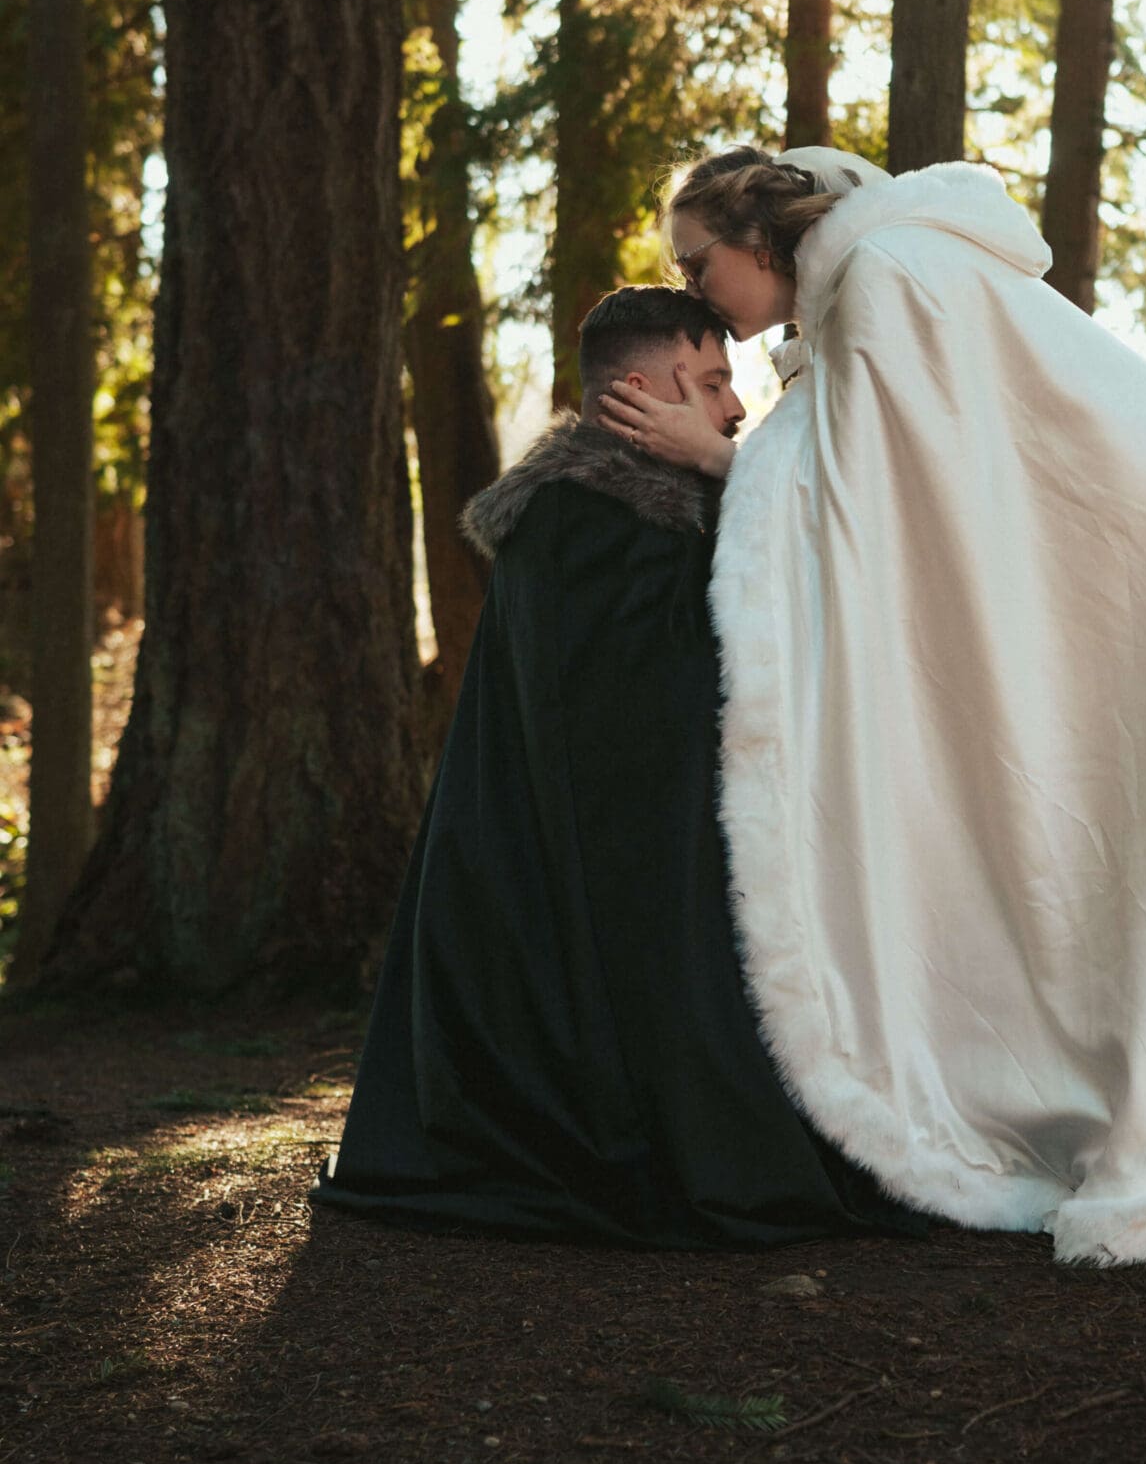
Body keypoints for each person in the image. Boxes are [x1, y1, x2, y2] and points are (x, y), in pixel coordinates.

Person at [601, 147, 1146, 1267]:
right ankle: (1141, 1081)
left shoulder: (891, 272)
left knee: (1137, 813)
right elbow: (897, 468)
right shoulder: (871, 282)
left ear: (756, 240)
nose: (694, 290)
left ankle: (1145, 1115)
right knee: (1118, 816)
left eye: (698, 264)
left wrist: (720, 458)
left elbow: (881, 488)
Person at [316, 283, 921, 1248]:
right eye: (714, 382)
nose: (734, 407)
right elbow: (649, 740)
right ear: (640, 390)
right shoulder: (595, 520)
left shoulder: (647, 507)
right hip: (620, 906)